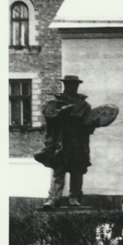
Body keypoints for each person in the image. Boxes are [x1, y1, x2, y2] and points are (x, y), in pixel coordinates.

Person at [35, 75, 97, 209]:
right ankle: (53, 199)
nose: (71, 87)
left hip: (78, 144)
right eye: (68, 84)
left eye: (74, 85)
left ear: (77, 86)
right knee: (58, 171)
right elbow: (49, 119)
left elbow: (88, 126)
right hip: (60, 142)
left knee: (77, 172)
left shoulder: (84, 105)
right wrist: (59, 114)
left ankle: (74, 198)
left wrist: (94, 123)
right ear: (64, 85)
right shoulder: (54, 103)